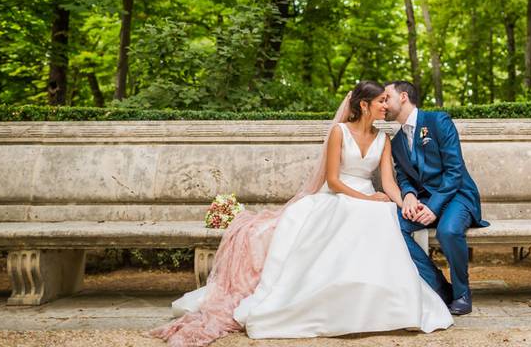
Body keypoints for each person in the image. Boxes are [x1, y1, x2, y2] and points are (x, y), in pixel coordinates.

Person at [149, 80, 452, 346]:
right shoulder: (339, 132)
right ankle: (320, 297)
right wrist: (368, 198)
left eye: (387, 100)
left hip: (367, 198)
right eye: (381, 101)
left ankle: (382, 300)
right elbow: (333, 180)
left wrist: (404, 203)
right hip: (337, 195)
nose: (386, 105)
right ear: (364, 104)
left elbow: (388, 182)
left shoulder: (383, 138)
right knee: (355, 214)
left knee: (380, 218)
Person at [384, 80, 489, 316]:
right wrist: (409, 195)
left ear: (402, 97)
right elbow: (403, 176)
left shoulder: (438, 121)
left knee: (448, 231)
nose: (384, 104)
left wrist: (434, 206)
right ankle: (441, 288)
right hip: (425, 203)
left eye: (386, 97)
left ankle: (462, 294)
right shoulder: (396, 141)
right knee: (393, 227)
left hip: (457, 197)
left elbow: (455, 170)